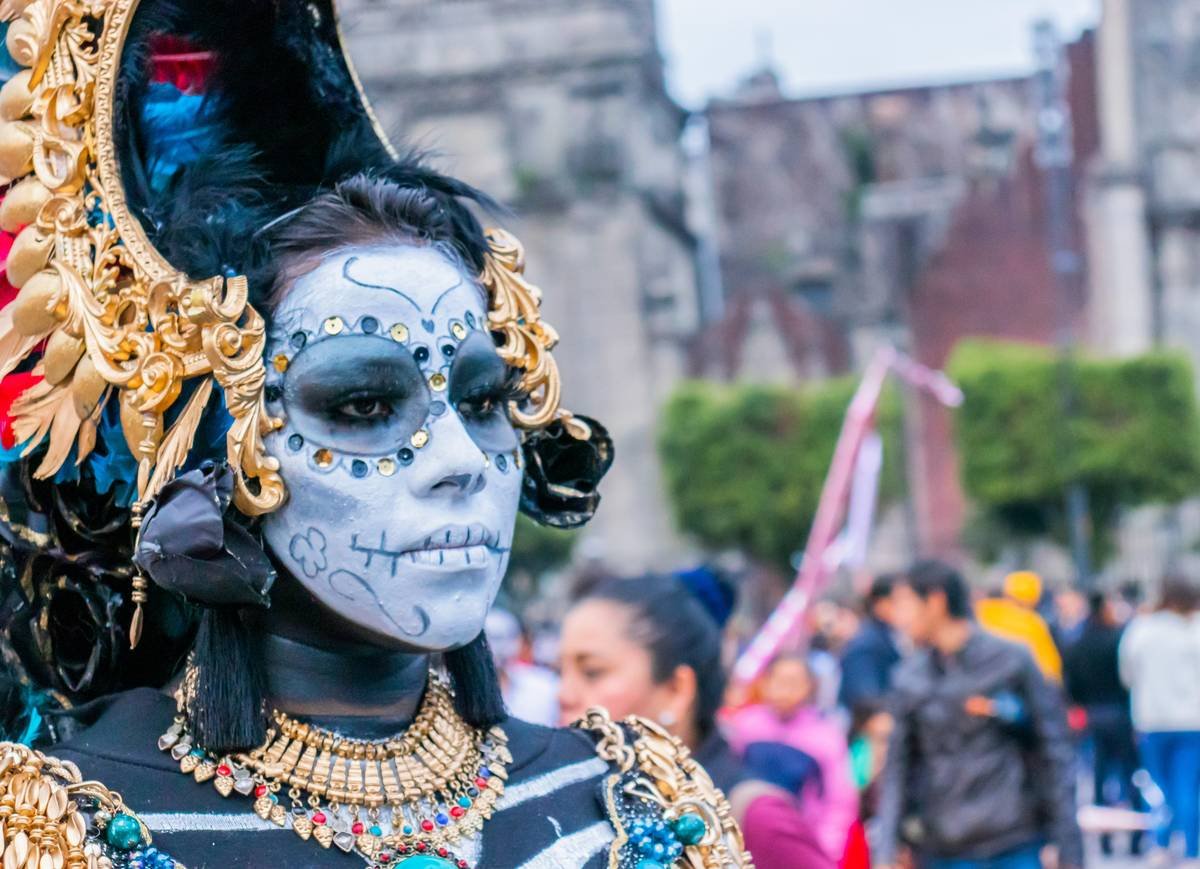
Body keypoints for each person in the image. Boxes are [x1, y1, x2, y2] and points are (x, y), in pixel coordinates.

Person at [0, 3, 752, 867]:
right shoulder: (68, 831)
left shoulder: (641, 808)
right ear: (220, 450)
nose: (461, 463)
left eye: (482, 401)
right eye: (362, 406)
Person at [559, 574, 834, 869]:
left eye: (592, 672)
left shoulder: (760, 820)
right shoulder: (572, 801)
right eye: (559, 670)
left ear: (677, 690)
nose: (564, 695)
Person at [875, 560, 1082, 869]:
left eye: (904, 603)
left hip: (1013, 840)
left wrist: (1068, 847)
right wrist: (887, 849)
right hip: (942, 845)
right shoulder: (909, 677)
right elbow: (899, 766)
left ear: (935, 601)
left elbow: (1054, 750)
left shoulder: (1011, 660)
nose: (897, 617)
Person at [726, 652, 860, 862]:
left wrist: (826, 850)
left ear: (809, 687)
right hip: (742, 838)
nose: (785, 691)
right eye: (779, 681)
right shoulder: (745, 725)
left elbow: (840, 802)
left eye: (794, 683)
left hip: (796, 842)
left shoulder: (826, 737)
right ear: (765, 683)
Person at [1119, 577, 1200, 862]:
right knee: (1188, 785)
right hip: (1193, 720)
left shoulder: (1142, 629)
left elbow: (1127, 674)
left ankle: (1161, 843)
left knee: (1157, 785)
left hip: (1152, 718)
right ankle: (1191, 847)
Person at [1063, 591, 1143, 858]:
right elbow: (1130, 678)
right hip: (1120, 714)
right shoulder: (1119, 640)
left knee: (1098, 777)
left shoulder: (1077, 643)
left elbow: (1070, 682)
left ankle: (1105, 839)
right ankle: (1136, 838)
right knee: (1129, 774)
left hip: (1092, 716)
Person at [975, 570, 1063, 682]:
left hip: (980, 682)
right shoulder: (1032, 622)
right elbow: (1048, 665)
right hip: (1020, 684)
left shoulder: (980, 613)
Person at [838, 574, 902, 711]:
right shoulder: (866, 646)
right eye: (900, 600)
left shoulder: (889, 636)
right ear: (881, 604)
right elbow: (866, 701)